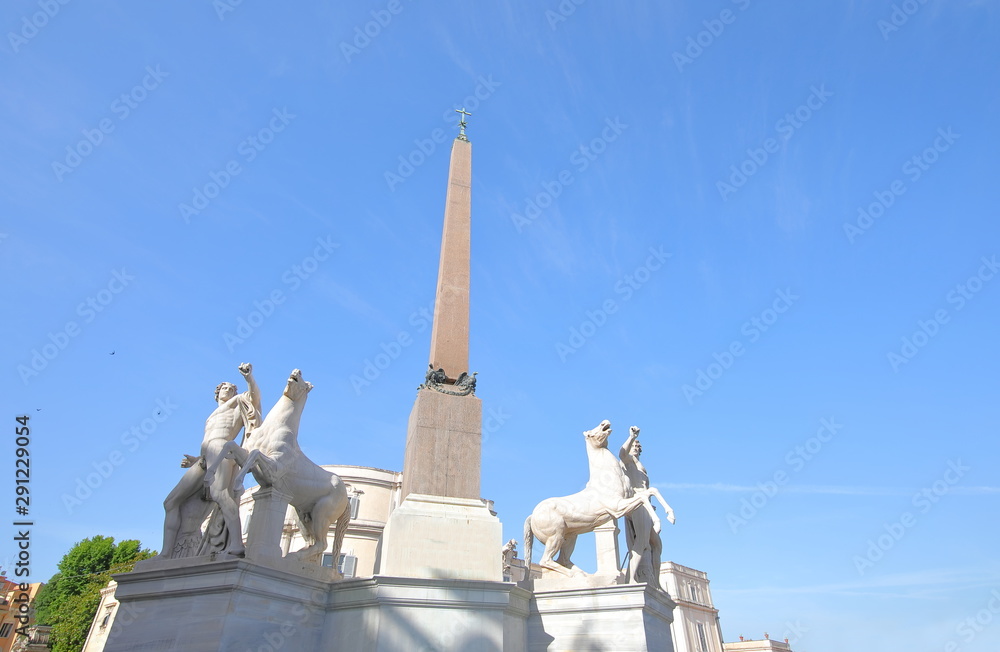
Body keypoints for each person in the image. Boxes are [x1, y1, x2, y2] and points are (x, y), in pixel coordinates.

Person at [156, 363, 261, 558]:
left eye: (231, 388)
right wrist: (196, 459)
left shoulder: (237, 402)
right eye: (224, 388)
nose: (228, 390)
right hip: (204, 458)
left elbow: (254, 398)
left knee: (220, 495)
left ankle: (237, 544)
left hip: (221, 450)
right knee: (170, 502)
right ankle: (166, 553)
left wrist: (249, 379)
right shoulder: (212, 415)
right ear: (217, 392)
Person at [619, 426, 664, 586]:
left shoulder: (639, 464)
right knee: (641, 543)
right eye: (634, 447)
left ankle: (656, 582)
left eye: (638, 447)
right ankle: (630, 579)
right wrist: (631, 437)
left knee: (656, 545)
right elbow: (622, 453)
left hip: (647, 507)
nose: (636, 449)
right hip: (638, 504)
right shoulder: (628, 462)